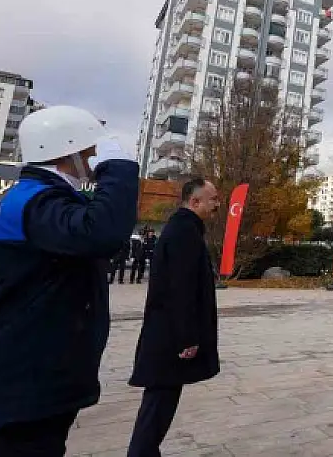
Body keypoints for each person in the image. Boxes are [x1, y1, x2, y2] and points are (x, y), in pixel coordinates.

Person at [0, 105, 138, 456]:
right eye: (90, 153)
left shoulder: (36, 200)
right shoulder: (36, 202)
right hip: (9, 405)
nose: (93, 162)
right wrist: (118, 170)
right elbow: (101, 233)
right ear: (68, 152)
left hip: (24, 393)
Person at [126, 178, 221, 457]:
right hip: (169, 340)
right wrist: (188, 338)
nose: (217, 204)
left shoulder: (185, 229)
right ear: (195, 202)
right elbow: (180, 288)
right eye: (213, 199)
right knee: (157, 407)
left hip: (167, 336)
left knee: (159, 405)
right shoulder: (184, 233)